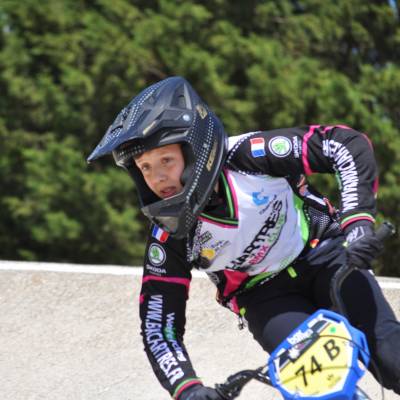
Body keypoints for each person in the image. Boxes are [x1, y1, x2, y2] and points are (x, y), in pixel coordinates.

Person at [88, 76, 400, 399]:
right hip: (265, 298)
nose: (157, 177)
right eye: (145, 167)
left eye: (166, 160)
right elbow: (158, 328)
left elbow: (345, 144)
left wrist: (357, 222)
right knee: (322, 389)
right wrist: (188, 389)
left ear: (195, 150)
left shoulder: (247, 155)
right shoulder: (169, 236)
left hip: (326, 256)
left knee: (391, 358)